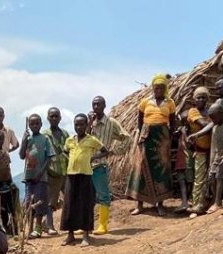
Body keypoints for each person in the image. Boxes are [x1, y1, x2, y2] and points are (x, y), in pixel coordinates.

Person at [127, 73, 177, 216]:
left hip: (162, 139)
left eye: (161, 88)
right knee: (141, 169)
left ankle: (160, 204)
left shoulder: (170, 103)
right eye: (156, 88)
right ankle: (140, 204)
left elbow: (172, 123)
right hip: (147, 136)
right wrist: (142, 134)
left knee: (161, 170)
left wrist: (168, 138)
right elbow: (140, 121)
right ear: (153, 88)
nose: (159, 90)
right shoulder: (145, 102)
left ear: (165, 88)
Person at [61, 113, 107, 247]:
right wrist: (71, 159)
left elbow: (105, 150)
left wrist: (92, 158)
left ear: (86, 125)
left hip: (86, 175)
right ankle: (70, 235)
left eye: (82, 124)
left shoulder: (91, 140)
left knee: (85, 205)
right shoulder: (70, 140)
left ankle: (86, 235)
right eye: (76, 124)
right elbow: (64, 151)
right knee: (69, 205)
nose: (79, 127)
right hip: (71, 175)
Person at [88, 95, 130, 235]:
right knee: (87, 196)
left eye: (98, 104)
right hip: (86, 165)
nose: (95, 107)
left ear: (104, 106)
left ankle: (103, 225)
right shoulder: (89, 122)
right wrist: (89, 124)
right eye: (94, 104)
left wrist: (112, 151)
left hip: (100, 164)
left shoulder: (111, 123)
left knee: (103, 195)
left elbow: (126, 138)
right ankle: (86, 226)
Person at [19, 113, 55, 238]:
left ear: (41, 124)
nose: (34, 126)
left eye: (36, 123)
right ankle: (29, 230)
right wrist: (23, 140)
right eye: (32, 124)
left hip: (40, 177)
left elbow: (49, 158)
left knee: (39, 203)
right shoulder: (28, 140)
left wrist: (40, 173)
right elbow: (21, 155)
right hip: (29, 177)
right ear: (28, 125)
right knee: (29, 203)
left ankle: (38, 228)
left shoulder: (45, 139)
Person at [185, 87, 212, 217]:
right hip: (200, 150)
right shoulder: (193, 111)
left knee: (211, 177)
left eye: (203, 97)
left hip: (213, 149)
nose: (201, 100)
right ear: (194, 100)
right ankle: (196, 206)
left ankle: (206, 204)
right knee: (199, 178)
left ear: (207, 99)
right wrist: (213, 123)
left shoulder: (210, 111)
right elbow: (203, 124)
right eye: (198, 97)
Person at [205, 102, 223, 212]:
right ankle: (217, 199)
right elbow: (213, 146)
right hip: (217, 156)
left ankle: (218, 203)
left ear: (221, 113)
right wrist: (211, 162)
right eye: (211, 118)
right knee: (211, 178)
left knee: (219, 176)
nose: (213, 120)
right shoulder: (214, 128)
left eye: (214, 117)